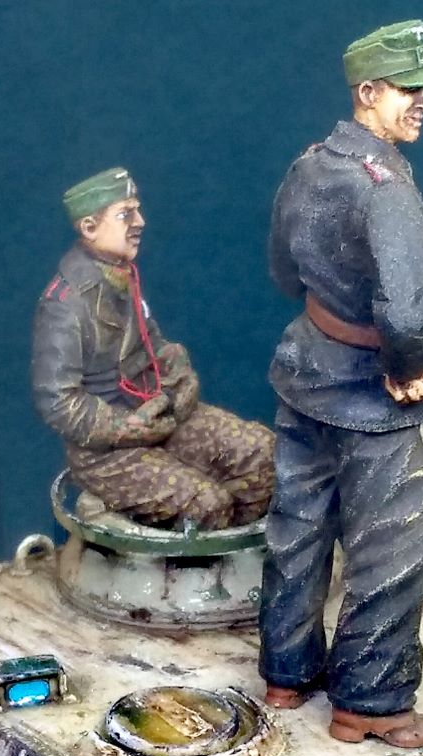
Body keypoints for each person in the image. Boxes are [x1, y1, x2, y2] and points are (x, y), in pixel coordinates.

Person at [260, 20, 423, 748]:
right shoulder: (386, 187)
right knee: (399, 543)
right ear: (368, 92)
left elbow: (284, 271)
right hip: (370, 394)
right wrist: (407, 368)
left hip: (305, 371)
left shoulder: (310, 165)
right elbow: (405, 313)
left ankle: (286, 673)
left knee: (297, 528)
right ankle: (371, 702)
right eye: (407, 89)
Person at [30, 167, 274, 531]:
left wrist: (176, 375)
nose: (139, 222)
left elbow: (150, 345)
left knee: (262, 455)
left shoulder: (121, 276)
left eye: (137, 210)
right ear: (90, 227)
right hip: (106, 451)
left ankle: (231, 556)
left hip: (158, 416)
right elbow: (57, 401)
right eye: (125, 214)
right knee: (205, 505)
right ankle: (187, 564)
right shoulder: (65, 305)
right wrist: (125, 426)